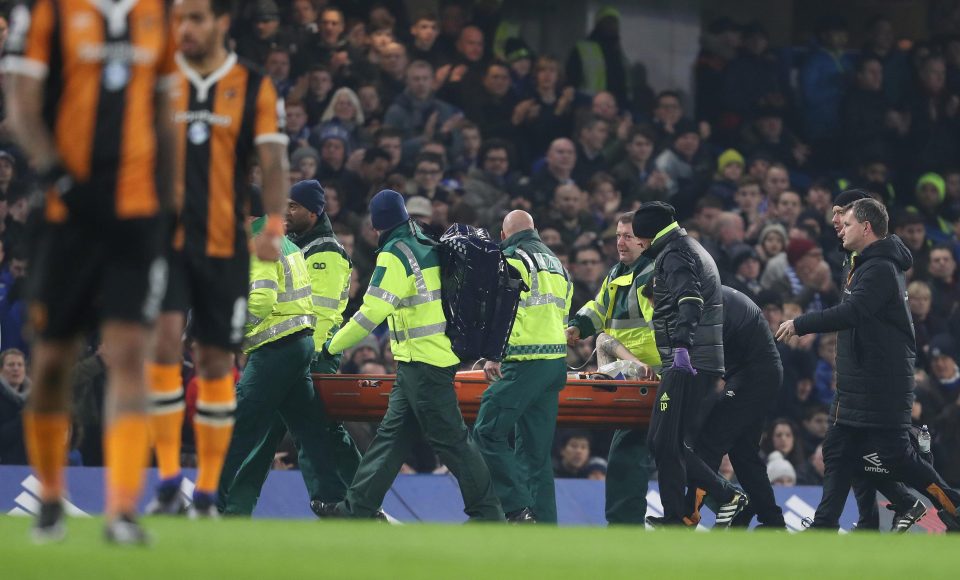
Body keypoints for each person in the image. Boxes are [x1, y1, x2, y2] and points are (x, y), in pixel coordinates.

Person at [2, 0, 177, 543]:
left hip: (136, 217)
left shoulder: (158, 15)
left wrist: (171, 202)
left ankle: (121, 510)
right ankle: (51, 497)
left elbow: (168, 110)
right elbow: (22, 107)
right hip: (68, 214)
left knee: (129, 353)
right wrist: (60, 177)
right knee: (52, 358)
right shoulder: (47, 14)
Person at [145, 0, 289, 519]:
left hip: (225, 247)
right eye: (178, 18)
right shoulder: (159, 79)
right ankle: (166, 483)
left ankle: (205, 492)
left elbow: (273, 159)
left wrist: (273, 224)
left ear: (221, 24)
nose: (184, 28)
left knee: (213, 362)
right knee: (162, 348)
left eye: (196, 18)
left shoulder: (254, 86)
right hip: (167, 242)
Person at [315, 190, 503, 522]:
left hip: (424, 364)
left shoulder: (395, 254)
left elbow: (371, 312)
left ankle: (489, 514)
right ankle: (357, 509)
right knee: (391, 439)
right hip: (425, 360)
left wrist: (332, 344)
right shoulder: (424, 242)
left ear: (376, 226)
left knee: (453, 443)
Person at [776, 198, 960, 530]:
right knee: (836, 451)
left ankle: (952, 505)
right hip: (860, 383)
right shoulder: (867, 264)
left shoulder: (879, 269)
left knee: (897, 457)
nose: (840, 229)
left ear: (866, 227)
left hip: (881, 383)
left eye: (845, 223)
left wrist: (801, 323)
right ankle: (827, 525)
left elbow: (852, 313)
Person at [219, 180, 361, 516]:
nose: (288, 211)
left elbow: (266, 300)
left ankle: (216, 500)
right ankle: (340, 500)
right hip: (299, 347)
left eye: (295, 206)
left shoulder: (275, 245)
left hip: (286, 351)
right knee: (310, 429)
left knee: (243, 426)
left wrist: (233, 335)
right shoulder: (293, 246)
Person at [631, 202, 746, 527]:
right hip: (697, 360)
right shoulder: (688, 247)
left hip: (689, 361)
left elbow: (690, 299)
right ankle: (678, 516)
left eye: (639, 239)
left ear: (647, 236)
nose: (640, 246)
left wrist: (681, 346)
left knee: (663, 441)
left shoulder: (674, 253)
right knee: (666, 441)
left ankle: (726, 496)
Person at [474, 210, 572, 524]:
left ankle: (516, 508)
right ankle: (543, 528)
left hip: (525, 361)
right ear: (535, 230)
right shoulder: (559, 266)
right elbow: (563, 315)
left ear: (503, 236)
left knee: (487, 430)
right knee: (536, 454)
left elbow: (506, 309)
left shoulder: (512, 259)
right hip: (555, 364)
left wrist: (494, 353)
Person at [567, 211, 659, 525]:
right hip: (631, 375)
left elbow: (660, 323)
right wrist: (577, 326)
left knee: (628, 452)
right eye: (618, 235)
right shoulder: (618, 273)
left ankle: (624, 523)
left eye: (628, 236)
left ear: (645, 241)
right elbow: (598, 308)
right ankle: (722, 498)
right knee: (663, 450)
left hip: (650, 375)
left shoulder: (651, 275)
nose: (620, 242)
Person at [688, 287, 786, 528]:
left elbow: (707, 358)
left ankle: (687, 515)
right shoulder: (711, 294)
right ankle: (771, 521)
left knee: (709, 443)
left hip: (752, 375)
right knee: (744, 454)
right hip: (758, 373)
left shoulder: (708, 303)